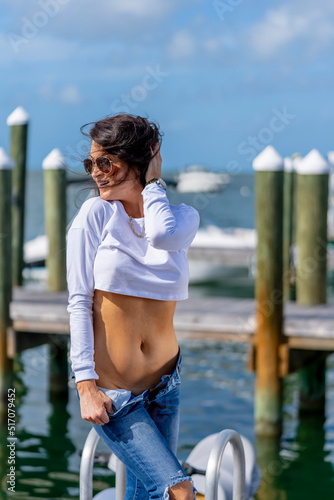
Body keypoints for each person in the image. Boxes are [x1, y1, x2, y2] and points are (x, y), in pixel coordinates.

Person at [66, 114, 200, 500]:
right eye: (91, 163)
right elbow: (78, 302)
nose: (96, 172)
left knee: (148, 496)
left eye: (106, 162)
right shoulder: (95, 215)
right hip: (115, 394)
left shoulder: (182, 219)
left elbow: (160, 232)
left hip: (165, 384)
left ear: (140, 161)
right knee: (178, 489)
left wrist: (154, 183)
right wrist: (85, 385)